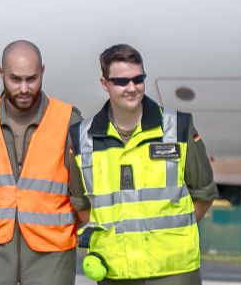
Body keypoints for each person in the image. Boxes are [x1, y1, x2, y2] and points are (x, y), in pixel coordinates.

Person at [69, 44, 217, 284]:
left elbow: (204, 193)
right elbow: (81, 205)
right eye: (121, 81)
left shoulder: (178, 127)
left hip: (174, 270)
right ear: (105, 84)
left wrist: (171, 238)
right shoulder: (81, 138)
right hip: (116, 271)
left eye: (138, 79)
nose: (132, 88)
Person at [0, 40, 82, 285]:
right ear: (1, 73)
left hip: (52, 258)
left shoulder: (69, 120)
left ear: (43, 71)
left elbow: (82, 198)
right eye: (15, 79)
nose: (24, 88)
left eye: (32, 79)